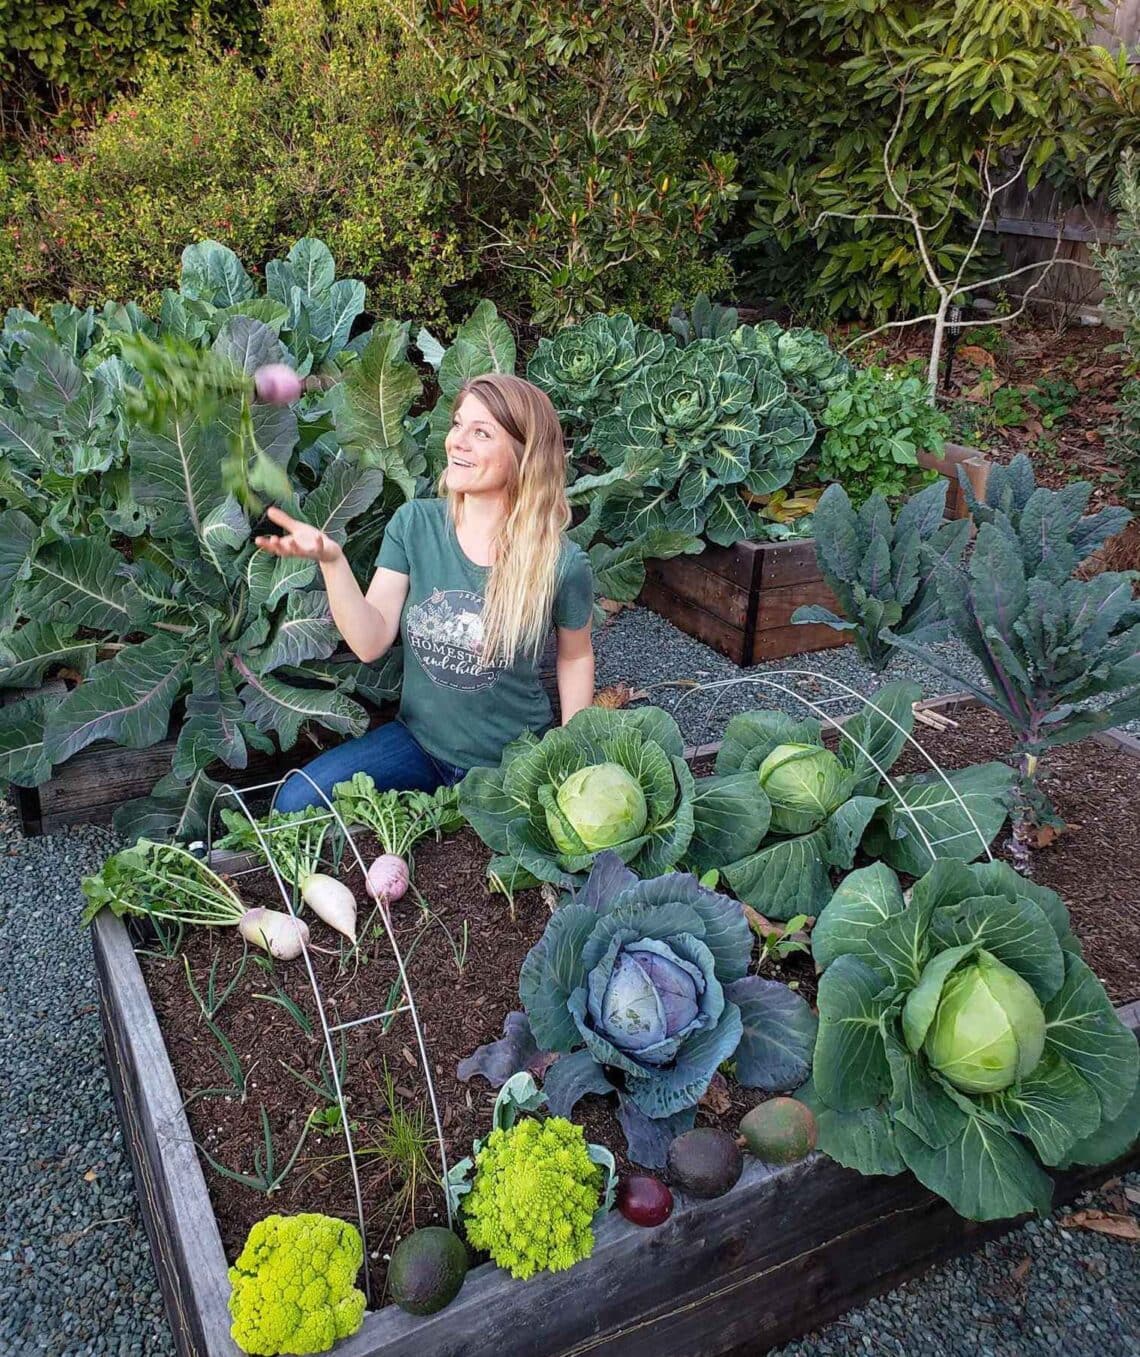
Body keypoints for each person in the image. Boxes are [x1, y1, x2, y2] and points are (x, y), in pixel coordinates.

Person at [257, 373, 595, 812]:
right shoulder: (414, 524)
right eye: (458, 425)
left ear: (523, 454)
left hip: (511, 759)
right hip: (418, 745)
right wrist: (332, 561)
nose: (457, 442)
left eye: (481, 432)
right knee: (294, 802)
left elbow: (575, 656)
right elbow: (370, 641)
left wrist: (572, 751)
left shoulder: (561, 563)